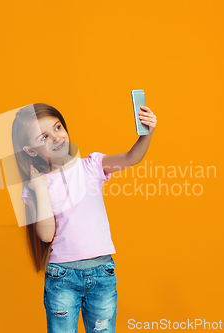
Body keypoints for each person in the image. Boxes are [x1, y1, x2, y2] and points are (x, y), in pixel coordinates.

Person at [11, 103, 157, 333]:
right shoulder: (37, 185)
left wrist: (146, 135)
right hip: (62, 278)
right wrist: (39, 188)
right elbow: (46, 235)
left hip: (102, 273)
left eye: (58, 127)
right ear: (30, 151)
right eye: (44, 137)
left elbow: (131, 158)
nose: (56, 137)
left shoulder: (91, 166)